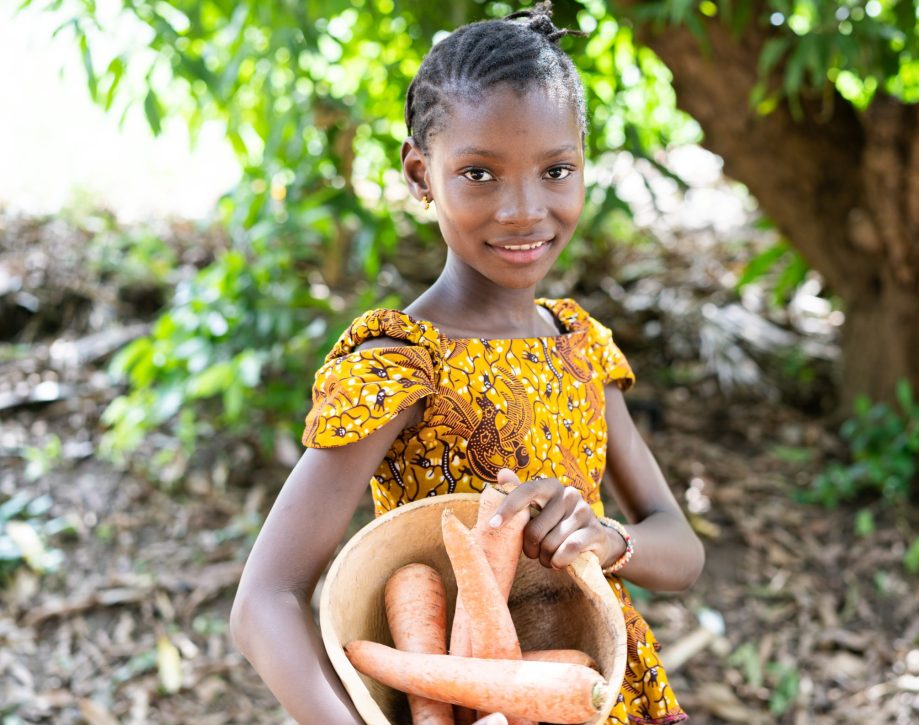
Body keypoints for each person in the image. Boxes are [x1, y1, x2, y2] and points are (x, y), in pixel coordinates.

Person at [230, 3, 704, 723]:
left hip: (600, 694)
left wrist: (609, 542)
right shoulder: (401, 362)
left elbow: (682, 548)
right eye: (480, 173)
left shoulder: (580, 346)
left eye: (556, 170)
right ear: (421, 174)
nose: (523, 209)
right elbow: (264, 600)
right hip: (452, 704)